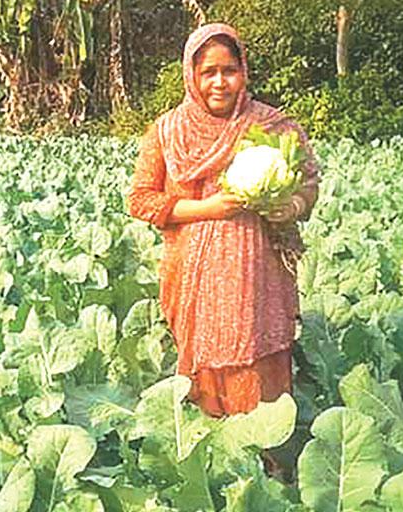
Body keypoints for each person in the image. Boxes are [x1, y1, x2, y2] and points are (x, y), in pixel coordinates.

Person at [126, 23, 320, 418]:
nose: (219, 82)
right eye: (208, 72)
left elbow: (309, 183)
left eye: (228, 70)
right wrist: (209, 209)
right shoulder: (167, 132)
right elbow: (141, 200)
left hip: (259, 277)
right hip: (194, 280)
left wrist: (292, 207)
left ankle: (269, 460)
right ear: (191, 76)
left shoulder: (273, 126)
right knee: (206, 368)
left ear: (243, 71)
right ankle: (211, 459)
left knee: (260, 361)